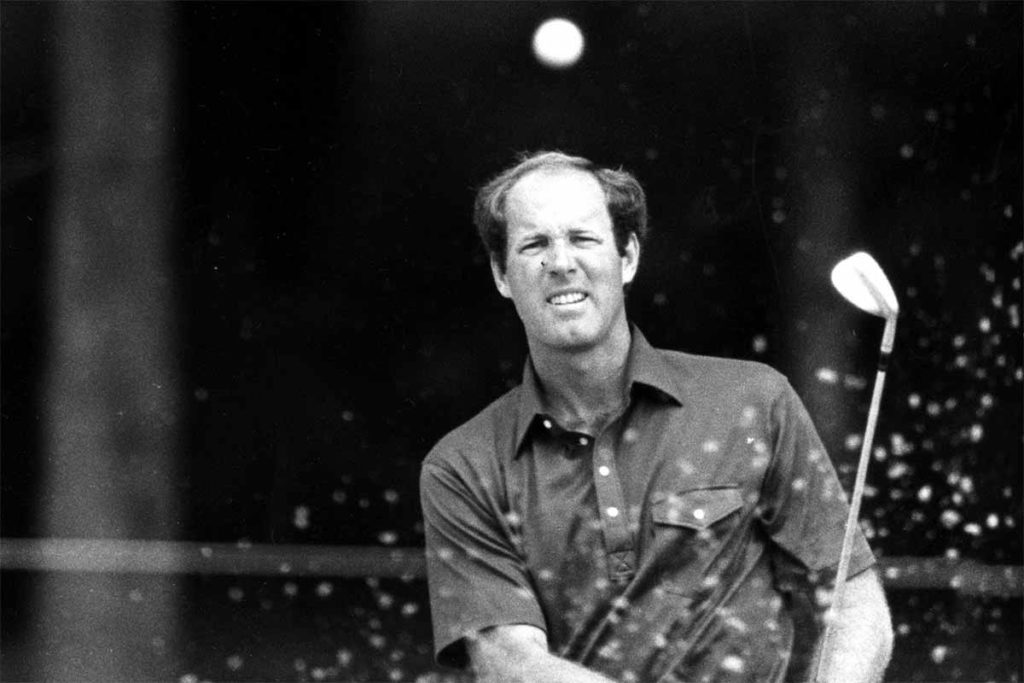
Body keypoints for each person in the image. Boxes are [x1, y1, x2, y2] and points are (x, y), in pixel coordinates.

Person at [419, 151, 893, 682]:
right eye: (534, 245)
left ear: (627, 258)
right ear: (501, 274)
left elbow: (852, 597)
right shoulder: (462, 466)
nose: (560, 262)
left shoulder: (755, 401)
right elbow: (509, 660)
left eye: (583, 238)